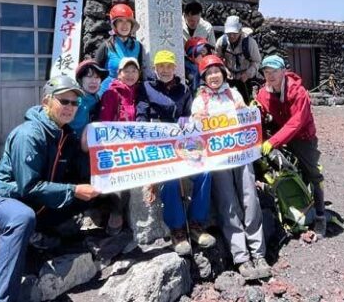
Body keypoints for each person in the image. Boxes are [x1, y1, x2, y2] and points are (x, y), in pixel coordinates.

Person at [0, 75, 101, 302]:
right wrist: (73, 191)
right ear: (46, 102)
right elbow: (29, 187)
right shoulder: (29, 134)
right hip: (2, 201)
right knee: (22, 218)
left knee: (91, 196)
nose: (70, 108)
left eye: (75, 103)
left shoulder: (67, 135)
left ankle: (39, 238)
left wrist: (99, 165)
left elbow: (80, 173)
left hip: (39, 204)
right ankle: (4, 298)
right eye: (64, 101)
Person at [194, 54, 272, 280]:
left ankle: (258, 253)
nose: (214, 76)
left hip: (241, 155)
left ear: (224, 73)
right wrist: (197, 119)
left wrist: (244, 109)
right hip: (218, 160)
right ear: (204, 78)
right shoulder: (200, 100)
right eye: (208, 73)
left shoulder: (234, 93)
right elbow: (195, 129)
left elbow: (248, 117)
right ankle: (241, 257)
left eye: (216, 71)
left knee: (250, 199)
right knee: (228, 204)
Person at [136, 50, 214, 255]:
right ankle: (178, 230)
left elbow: (189, 115)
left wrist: (188, 124)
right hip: (158, 144)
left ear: (175, 68)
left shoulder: (184, 89)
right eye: (160, 66)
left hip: (182, 142)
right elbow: (141, 115)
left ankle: (196, 224)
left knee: (204, 172)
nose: (165, 70)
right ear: (154, 68)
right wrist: (151, 130)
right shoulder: (146, 87)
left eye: (169, 66)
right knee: (170, 177)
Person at [256, 55, 328, 237]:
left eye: (274, 71)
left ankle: (320, 216)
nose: (270, 75)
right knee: (279, 168)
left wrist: (272, 142)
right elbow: (261, 113)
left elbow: (296, 122)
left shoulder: (298, 92)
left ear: (283, 71)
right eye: (266, 72)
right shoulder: (263, 93)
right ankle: (291, 206)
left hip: (303, 136)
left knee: (313, 173)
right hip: (280, 132)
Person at [97, 56, 142, 234]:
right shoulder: (111, 93)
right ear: (119, 73)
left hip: (136, 144)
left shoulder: (140, 92)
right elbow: (104, 122)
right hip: (116, 145)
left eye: (134, 71)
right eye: (126, 71)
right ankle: (116, 212)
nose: (130, 75)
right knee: (119, 176)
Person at [94, 3, 147, 96]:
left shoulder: (138, 46)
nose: (124, 25)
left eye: (128, 21)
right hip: (108, 94)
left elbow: (140, 73)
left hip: (131, 94)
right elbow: (96, 73)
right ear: (114, 25)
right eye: (120, 21)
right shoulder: (106, 46)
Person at [216, 15, 263, 102]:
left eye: (235, 33)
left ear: (240, 31)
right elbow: (217, 59)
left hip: (246, 79)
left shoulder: (250, 43)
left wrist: (248, 73)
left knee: (247, 103)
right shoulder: (221, 42)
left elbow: (257, 61)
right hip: (229, 78)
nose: (232, 36)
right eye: (229, 33)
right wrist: (224, 70)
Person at [69, 59, 107, 136]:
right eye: (89, 77)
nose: (94, 81)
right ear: (80, 80)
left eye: (97, 77)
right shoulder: (73, 101)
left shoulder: (99, 99)